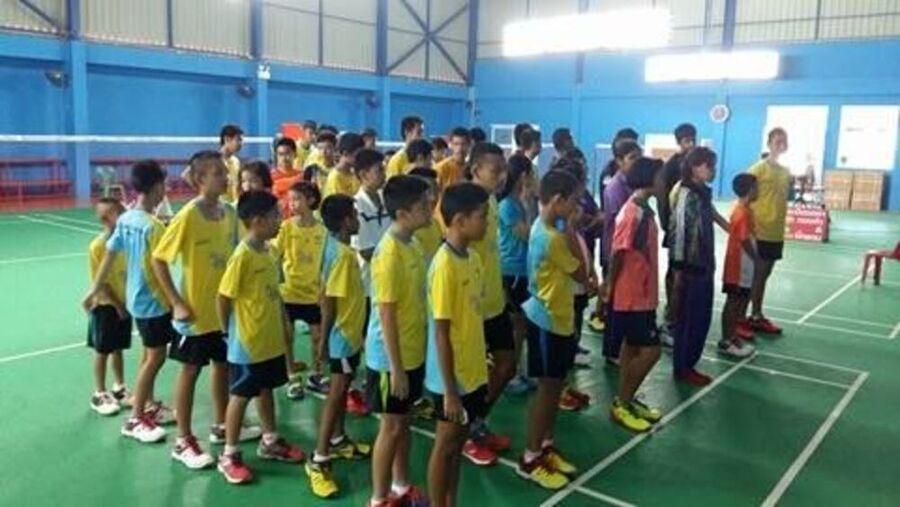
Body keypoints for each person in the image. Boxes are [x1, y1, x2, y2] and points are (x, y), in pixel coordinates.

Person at [152, 151, 260, 470]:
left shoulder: (230, 213)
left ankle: (221, 424)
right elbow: (159, 259)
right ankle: (183, 440)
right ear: (200, 179)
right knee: (190, 370)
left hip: (223, 312)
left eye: (225, 172)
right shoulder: (188, 215)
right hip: (195, 313)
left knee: (222, 367)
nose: (226, 177)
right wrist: (176, 302)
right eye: (218, 173)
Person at [215, 191, 305, 484]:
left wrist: (284, 324)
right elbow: (223, 297)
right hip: (248, 343)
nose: (281, 219)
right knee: (241, 396)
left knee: (267, 389)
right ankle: (229, 454)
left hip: (270, 340)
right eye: (276, 215)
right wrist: (227, 332)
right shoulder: (242, 256)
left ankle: (270, 440)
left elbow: (274, 294)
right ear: (257, 221)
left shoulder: (269, 251)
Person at [83, 160, 175, 442]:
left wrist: (92, 289)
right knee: (156, 356)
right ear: (157, 187)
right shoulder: (153, 227)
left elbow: (110, 256)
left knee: (149, 354)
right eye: (164, 185)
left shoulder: (126, 219)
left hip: (135, 299)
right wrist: (175, 302)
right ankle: (135, 419)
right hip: (153, 301)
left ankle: (146, 404)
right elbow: (160, 268)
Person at [518, 170, 595, 490]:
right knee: (547, 390)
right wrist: (573, 229)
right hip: (546, 320)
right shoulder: (552, 237)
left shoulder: (547, 225)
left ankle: (546, 445)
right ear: (558, 200)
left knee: (555, 387)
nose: (577, 207)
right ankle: (530, 456)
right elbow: (581, 274)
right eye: (573, 201)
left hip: (558, 318)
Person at [366, 175, 433, 507]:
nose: (430, 209)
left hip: (412, 351)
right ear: (403, 213)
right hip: (390, 359)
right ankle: (379, 499)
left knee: (403, 423)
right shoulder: (389, 253)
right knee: (391, 427)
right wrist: (396, 369)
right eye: (423, 205)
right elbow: (386, 314)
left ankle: (401, 486)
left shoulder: (413, 244)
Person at [425, 182, 490, 507]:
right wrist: (450, 391)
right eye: (482, 216)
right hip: (451, 379)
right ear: (461, 221)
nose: (487, 223)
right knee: (445, 446)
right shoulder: (444, 266)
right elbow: (441, 332)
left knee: (458, 445)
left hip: (472, 369)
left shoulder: (473, 258)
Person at [305, 194, 371, 499]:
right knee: (336, 392)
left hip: (349, 333)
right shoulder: (343, 256)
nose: (358, 219)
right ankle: (318, 459)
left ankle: (338, 439)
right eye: (355, 215)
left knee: (343, 390)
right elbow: (330, 301)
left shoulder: (334, 245)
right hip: (341, 336)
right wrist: (323, 342)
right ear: (346, 221)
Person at [605, 157, 665, 433]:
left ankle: (627, 401)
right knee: (652, 351)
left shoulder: (645, 209)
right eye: (660, 176)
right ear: (648, 178)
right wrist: (609, 286)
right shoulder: (632, 213)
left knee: (631, 347)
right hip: (631, 296)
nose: (663, 181)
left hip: (644, 293)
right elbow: (618, 253)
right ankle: (621, 403)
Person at [465, 142, 513, 466]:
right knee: (470, 376)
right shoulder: (465, 205)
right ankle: (466, 434)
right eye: (495, 170)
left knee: (506, 364)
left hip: (494, 301)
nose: (501, 176)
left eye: (503, 170)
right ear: (476, 170)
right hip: (472, 306)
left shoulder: (493, 201)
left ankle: (476, 422)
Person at [669, 147, 720, 386]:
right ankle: (683, 366)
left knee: (701, 318)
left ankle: (689, 363)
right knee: (689, 321)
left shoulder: (702, 193)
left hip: (704, 264)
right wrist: (679, 270)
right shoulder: (685, 194)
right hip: (690, 268)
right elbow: (678, 233)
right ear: (694, 167)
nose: (712, 170)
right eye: (709, 165)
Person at [273, 181, 329, 399]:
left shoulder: (322, 230)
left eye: (296, 199)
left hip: (313, 294)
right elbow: (275, 256)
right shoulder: (286, 227)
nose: (291, 204)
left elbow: (326, 263)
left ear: (311, 200)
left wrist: (324, 290)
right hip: (289, 292)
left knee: (317, 337)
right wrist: (276, 282)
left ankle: (316, 374)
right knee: (287, 337)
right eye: (290, 199)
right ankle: (291, 376)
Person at [350, 148, 392, 415]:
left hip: (384, 281)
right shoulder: (357, 206)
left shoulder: (385, 200)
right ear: (363, 174)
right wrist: (392, 259)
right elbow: (364, 250)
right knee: (368, 337)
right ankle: (361, 388)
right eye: (379, 170)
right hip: (367, 284)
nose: (383, 173)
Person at [84, 197, 131, 416]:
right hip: (105, 305)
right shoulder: (97, 246)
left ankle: (119, 387)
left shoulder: (125, 243)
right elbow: (100, 282)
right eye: (106, 215)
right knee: (102, 350)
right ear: (102, 218)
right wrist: (118, 305)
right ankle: (99, 392)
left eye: (118, 212)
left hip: (124, 303)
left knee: (118, 347)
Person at [597, 139, 642, 360]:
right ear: (619, 161)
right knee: (615, 302)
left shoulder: (632, 183)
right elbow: (619, 225)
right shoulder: (615, 187)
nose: (637, 161)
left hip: (628, 251)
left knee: (623, 301)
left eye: (639, 156)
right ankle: (612, 350)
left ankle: (619, 345)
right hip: (615, 251)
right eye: (632, 158)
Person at [745, 127, 791, 336]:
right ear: (769, 143)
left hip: (776, 231)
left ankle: (756, 315)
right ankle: (745, 317)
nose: (780, 144)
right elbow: (744, 194)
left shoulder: (785, 171)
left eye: (783, 141)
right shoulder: (758, 169)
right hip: (760, 229)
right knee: (756, 275)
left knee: (764, 275)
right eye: (777, 141)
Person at [498, 154, 537, 396]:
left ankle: (517, 369)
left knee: (521, 324)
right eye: (532, 174)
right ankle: (510, 374)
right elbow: (527, 235)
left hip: (522, 270)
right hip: (512, 270)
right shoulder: (508, 205)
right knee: (515, 324)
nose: (534, 178)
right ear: (523, 176)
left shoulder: (517, 202)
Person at [658, 123, 697, 346]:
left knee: (687, 271)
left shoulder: (694, 163)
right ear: (678, 142)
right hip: (676, 228)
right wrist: (667, 226)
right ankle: (670, 315)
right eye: (686, 140)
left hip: (692, 230)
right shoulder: (671, 166)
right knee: (675, 272)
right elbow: (663, 197)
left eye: (693, 139)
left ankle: (680, 309)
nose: (690, 143)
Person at [720, 174, 760, 358]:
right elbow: (744, 239)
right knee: (734, 302)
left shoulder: (745, 209)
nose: (759, 190)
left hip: (744, 265)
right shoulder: (741, 212)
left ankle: (733, 336)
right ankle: (726, 341)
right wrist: (756, 258)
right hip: (738, 266)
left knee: (740, 301)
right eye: (756, 187)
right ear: (750, 190)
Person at [408, 167, 444, 263]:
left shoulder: (434, 223)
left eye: (436, 190)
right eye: (428, 192)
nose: (434, 198)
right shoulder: (409, 230)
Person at [323, 132, 365, 198]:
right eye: (358, 155)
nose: (361, 158)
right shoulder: (335, 178)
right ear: (345, 153)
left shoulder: (354, 173)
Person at [271, 138, 304, 211]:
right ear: (276, 156)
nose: (284, 158)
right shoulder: (270, 177)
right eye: (281, 154)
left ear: (295, 154)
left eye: (287, 153)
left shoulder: (302, 176)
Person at [219, 124, 244, 203]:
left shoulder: (236, 161)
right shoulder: (215, 161)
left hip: (233, 206)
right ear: (227, 139)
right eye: (238, 140)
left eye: (241, 141)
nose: (240, 144)